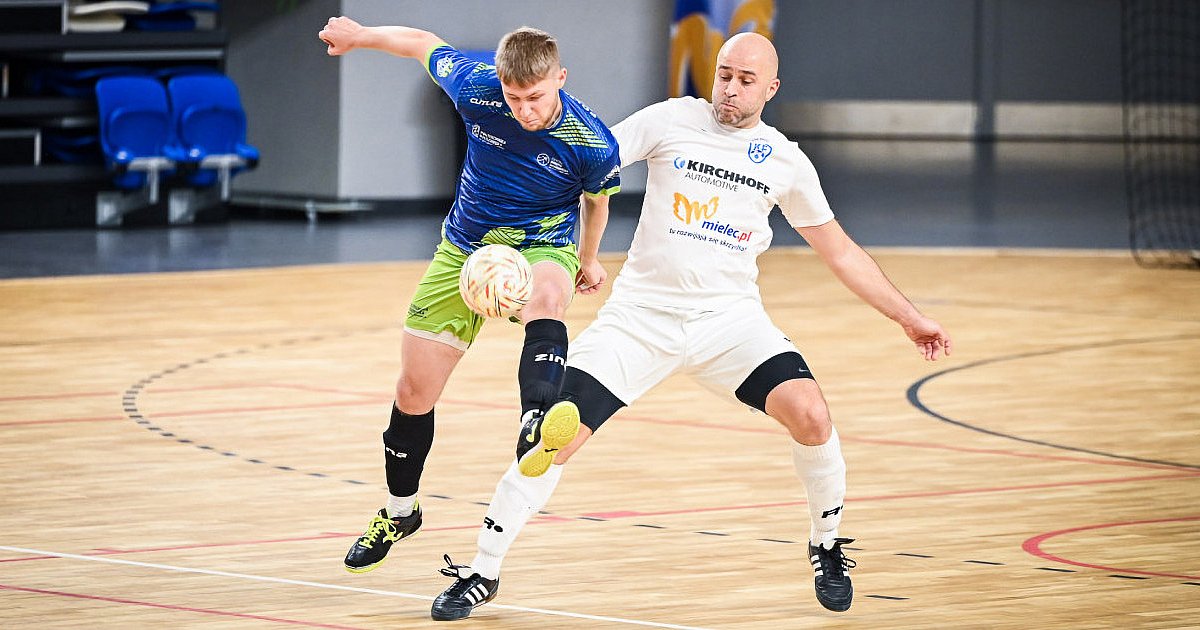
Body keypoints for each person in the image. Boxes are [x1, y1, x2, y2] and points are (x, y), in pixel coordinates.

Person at [443, 32, 953, 619]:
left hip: (729, 324)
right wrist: (553, 248)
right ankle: (482, 570)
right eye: (724, 75)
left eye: (746, 80)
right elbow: (585, 160)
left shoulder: (784, 160)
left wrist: (910, 318)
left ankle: (826, 541)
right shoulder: (671, 120)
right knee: (547, 440)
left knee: (812, 415)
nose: (731, 89)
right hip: (639, 321)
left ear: (772, 88)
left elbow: (840, 252)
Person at [317, 16, 621, 621]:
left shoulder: (592, 142)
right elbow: (423, 45)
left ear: (560, 78)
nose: (525, 109)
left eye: (536, 97)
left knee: (549, 297)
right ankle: (400, 513)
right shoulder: (476, 85)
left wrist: (587, 260)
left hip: (542, 240)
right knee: (413, 392)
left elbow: (597, 203)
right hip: (465, 248)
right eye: (515, 97)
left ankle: (536, 419)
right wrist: (358, 35)